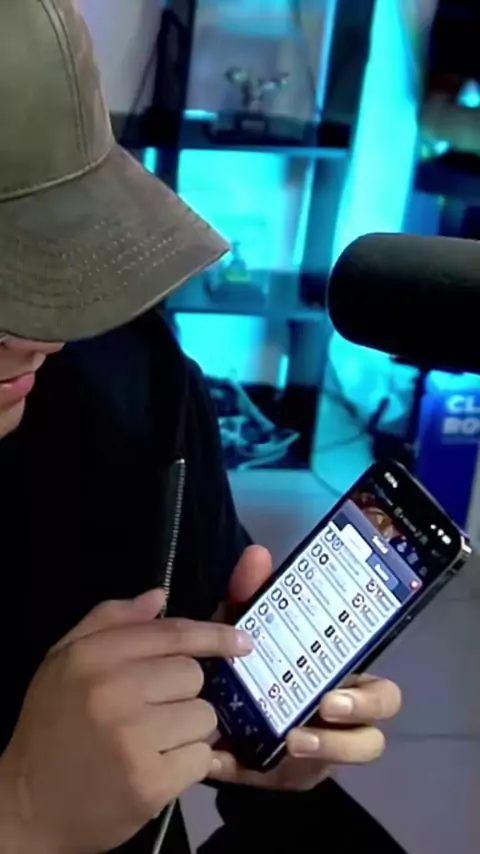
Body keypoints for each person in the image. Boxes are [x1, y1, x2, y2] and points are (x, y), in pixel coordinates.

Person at [0, 2, 405, 853]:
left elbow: (210, 621)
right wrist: (22, 816)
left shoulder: (129, 378)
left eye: (55, 264)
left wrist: (255, 728)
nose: (43, 334)